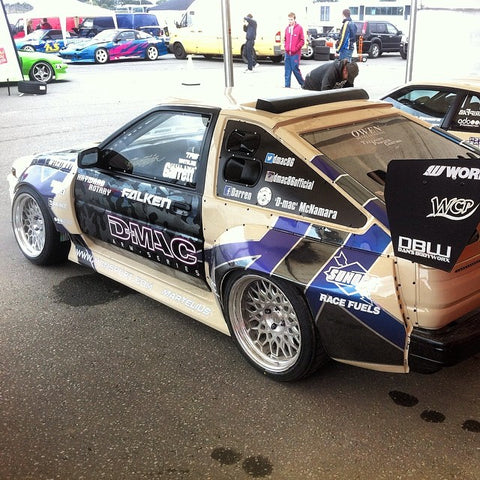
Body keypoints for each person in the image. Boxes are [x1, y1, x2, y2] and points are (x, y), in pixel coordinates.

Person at [284, 12, 304, 88]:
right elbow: (285, 39)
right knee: (287, 70)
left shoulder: (299, 28)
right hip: (287, 53)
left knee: (295, 69)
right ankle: (287, 86)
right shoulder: (287, 29)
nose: (290, 21)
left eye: (291, 19)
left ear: (294, 19)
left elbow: (302, 41)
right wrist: (286, 47)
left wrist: (296, 48)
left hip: (295, 53)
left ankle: (303, 84)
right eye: (289, 20)